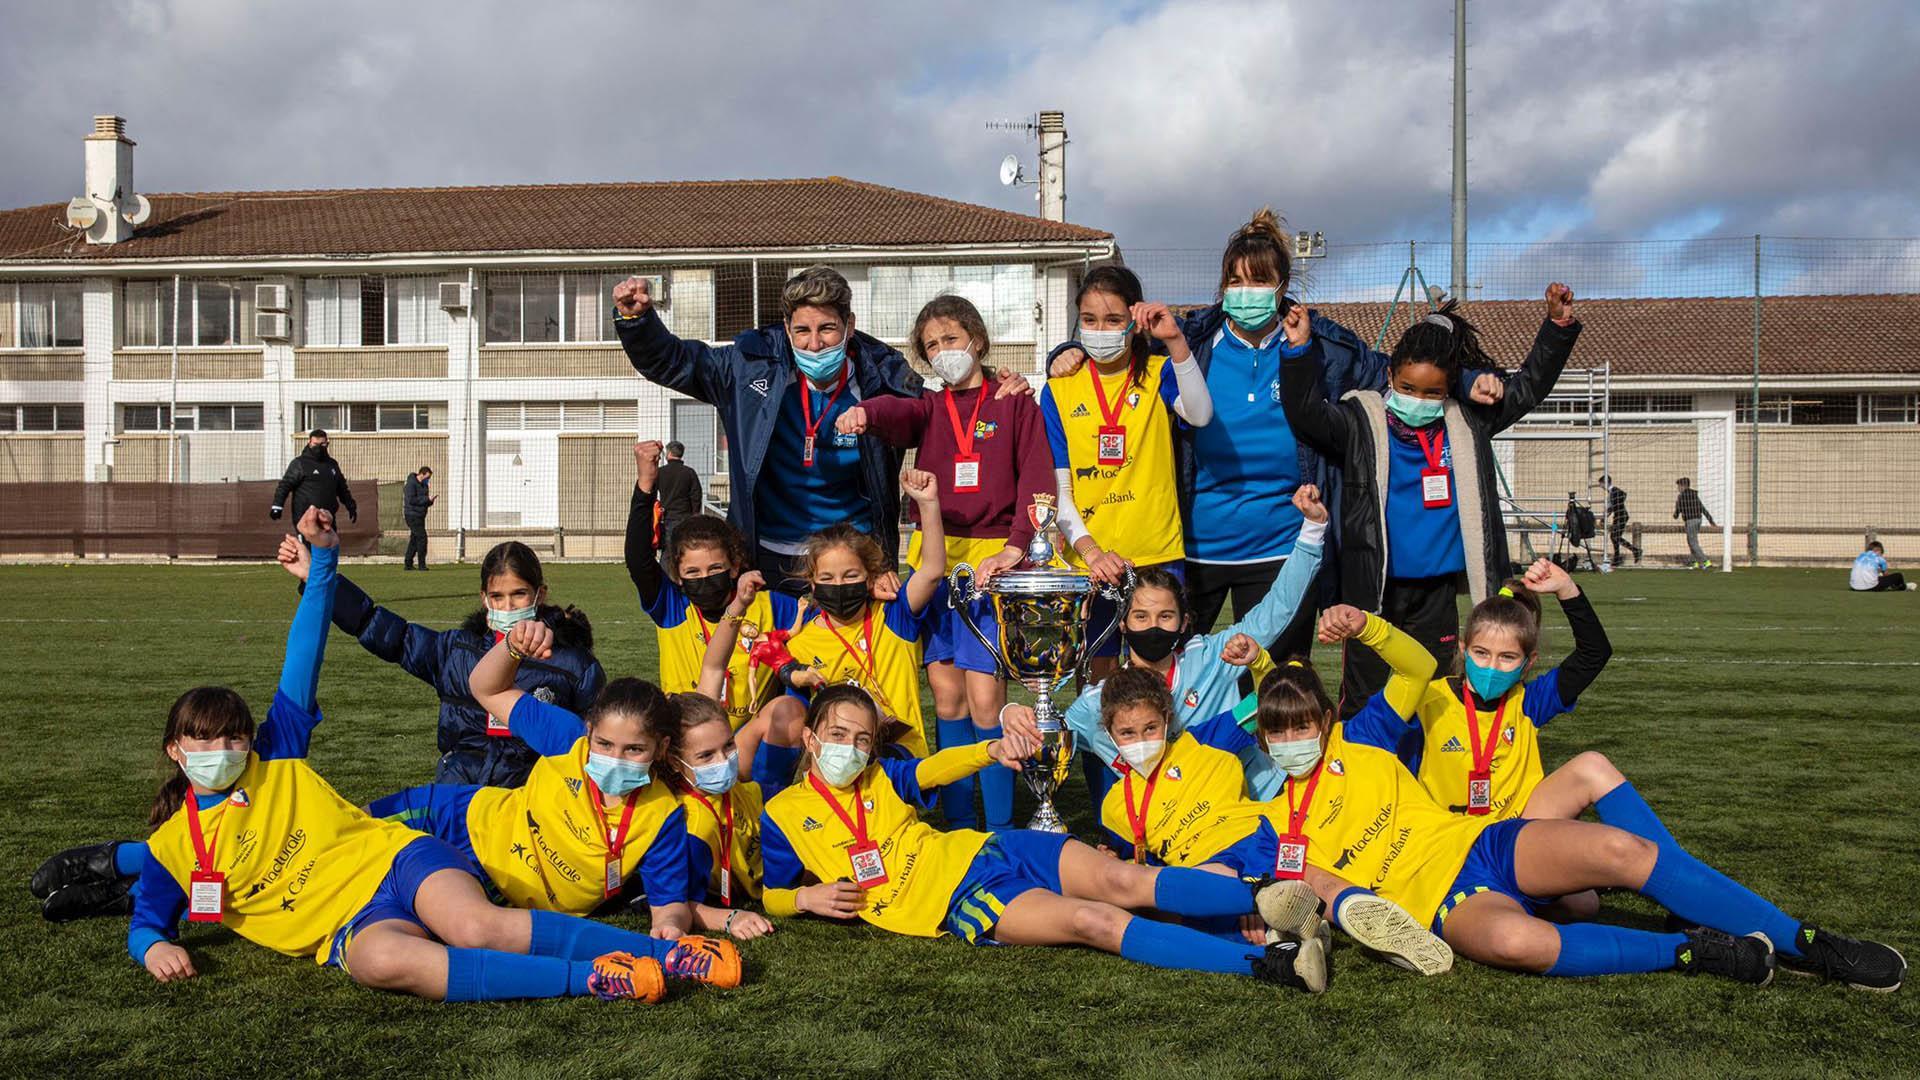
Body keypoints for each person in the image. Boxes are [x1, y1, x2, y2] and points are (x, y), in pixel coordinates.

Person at [127, 508, 740, 1004]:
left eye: (235, 736)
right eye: (206, 742)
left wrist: (323, 569)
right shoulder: (172, 847)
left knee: (475, 927)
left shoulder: (275, 754)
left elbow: (302, 656)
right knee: (381, 964)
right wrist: (152, 946)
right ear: (175, 752)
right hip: (358, 917)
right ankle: (603, 977)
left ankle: (664, 958)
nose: (226, 751)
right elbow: (149, 922)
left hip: (396, 859)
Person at [1253, 620, 1907, 988]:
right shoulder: (1270, 820)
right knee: (1519, 940)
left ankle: (1808, 943)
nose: (1293, 741)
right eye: (1278, 733)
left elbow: (1417, 665)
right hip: (1445, 907)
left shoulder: (1365, 744)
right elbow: (1280, 886)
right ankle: (1694, 949)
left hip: (1482, 843)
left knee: (1621, 849)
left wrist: (1363, 626)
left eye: (1303, 725)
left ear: (1330, 719)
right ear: (1262, 740)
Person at [1050, 210, 1507, 667]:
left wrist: (1466, 382)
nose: (1246, 293)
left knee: (1278, 680)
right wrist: (1065, 352)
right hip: (1196, 544)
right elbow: (1111, 344)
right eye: (1235, 281)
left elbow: (1401, 373)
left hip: (1282, 544)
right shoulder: (1192, 337)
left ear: (1282, 287)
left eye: (1259, 282)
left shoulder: (1321, 344)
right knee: (1175, 675)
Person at [758, 683, 1330, 991]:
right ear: (810, 739)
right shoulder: (783, 812)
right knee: (1093, 922)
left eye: (862, 740)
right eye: (838, 735)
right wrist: (802, 898)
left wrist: (991, 748)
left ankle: (1272, 898)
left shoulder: (884, 775)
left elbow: (933, 769)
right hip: (960, 900)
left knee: (1122, 878)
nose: (851, 749)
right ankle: (1274, 963)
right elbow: (772, 894)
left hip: (993, 848)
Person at [614, 265, 1027, 595]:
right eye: (802, 331)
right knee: (775, 685)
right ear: (787, 327)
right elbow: (675, 362)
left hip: (851, 562)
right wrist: (638, 322)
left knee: (853, 690)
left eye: (827, 329)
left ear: (849, 324)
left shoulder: (884, 374)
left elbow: (941, 417)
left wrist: (992, 384)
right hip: (767, 557)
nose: (814, 344)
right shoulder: (748, 366)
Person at [1280, 285, 1582, 718]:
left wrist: (1557, 327)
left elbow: (1529, 388)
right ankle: (1362, 777)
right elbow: (1306, 414)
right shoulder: (1359, 422)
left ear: (1448, 391)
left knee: (1436, 696)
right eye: (1407, 388)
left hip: (1437, 593)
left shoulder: (1467, 421)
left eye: (1432, 394)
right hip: (1375, 589)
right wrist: (1298, 351)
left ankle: (1429, 774)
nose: (1417, 401)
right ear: (1389, 378)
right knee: (1365, 696)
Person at [835, 294, 1054, 830]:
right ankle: (958, 822)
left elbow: (1038, 476)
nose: (942, 352)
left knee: (985, 699)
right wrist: (866, 412)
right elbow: (898, 411)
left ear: (976, 340)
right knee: (948, 696)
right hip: (935, 557)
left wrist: (1017, 545)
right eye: (931, 345)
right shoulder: (930, 407)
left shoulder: (1013, 401)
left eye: (951, 340)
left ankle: (999, 825)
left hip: (993, 561)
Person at [1092, 667, 1455, 976]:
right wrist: (1114, 860)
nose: (1141, 741)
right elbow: (1143, 859)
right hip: (1201, 870)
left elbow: (1268, 706)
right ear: (1109, 733)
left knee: (1210, 892)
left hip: (1253, 841)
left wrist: (1262, 663)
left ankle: (1279, 917)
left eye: (1150, 728)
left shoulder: (1205, 741)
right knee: (1173, 902)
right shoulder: (1113, 805)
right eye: (1127, 734)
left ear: (1167, 719)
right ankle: (1294, 931)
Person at [1009, 485, 1327, 812]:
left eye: (1166, 616)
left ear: (1184, 622)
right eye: (1141, 616)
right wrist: (1014, 716)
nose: (1153, 627)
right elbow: (1049, 736)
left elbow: (1278, 608)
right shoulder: (1097, 702)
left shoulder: (1213, 657)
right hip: (1168, 825)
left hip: (1244, 802)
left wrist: (1313, 529)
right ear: (1123, 624)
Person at [287, 538, 604, 786]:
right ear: (484, 599)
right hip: (459, 789)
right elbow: (379, 628)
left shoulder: (574, 665)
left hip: (530, 798)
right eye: (497, 597)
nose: (508, 607)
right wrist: (317, 577)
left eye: (519, 595)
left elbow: (598, 743)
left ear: (539, 595)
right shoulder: (456, 651)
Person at [1037, 265, 1215, 680]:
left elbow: (1202, 414)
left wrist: (1173, 340)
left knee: (1160, 672)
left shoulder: (1159, 373)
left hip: (1158, 553)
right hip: (1091, 562)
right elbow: (1060, 487)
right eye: (1090, 321)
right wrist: (1091, 552)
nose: (1100, 330)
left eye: (1114, 320)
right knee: (1097, 680)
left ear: (1134, 321)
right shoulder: (1059, 389)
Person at [625, 439, 807, 777]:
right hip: (684, 743)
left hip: (745, 745)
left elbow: (826, 625)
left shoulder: (771, 606)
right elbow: (638, 560)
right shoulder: (672, 607)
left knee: (789, 707)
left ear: (735, 565)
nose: (704, 579)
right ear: (677, 577)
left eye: (715, 569)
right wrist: (645, 485)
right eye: (692, 572)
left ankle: (767, 805)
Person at [773, 468, 948, 778]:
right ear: (812, 585)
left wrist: (928, 504)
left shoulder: (892, 616)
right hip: (834, 757)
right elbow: (799, 715)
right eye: (827, 578)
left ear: (870, 578)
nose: (839, 585)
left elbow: (932, 570)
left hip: (897, 753)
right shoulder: (801, 642)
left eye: (851, 576)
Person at [661, 692, 776, 941]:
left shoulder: (736, 788)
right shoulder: (692, 827)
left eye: (729, 745)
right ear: (675, 762)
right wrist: (730, 918)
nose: (724, 761)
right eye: (706, 756)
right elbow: (676, 903)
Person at [271, 429, 357, 526]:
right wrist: (277, 506)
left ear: (327, 443)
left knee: (329, 541)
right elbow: (285, 485)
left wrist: (351, 505)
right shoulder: (300, 463)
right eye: (315, 445)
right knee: (309, 541)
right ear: (309, 443)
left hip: (327, 518)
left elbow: (342, 488)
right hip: (305, 518)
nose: (318, 448)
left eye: (322, 445)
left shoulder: (332, 464)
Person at [654, 441, 703, 551]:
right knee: (685, 549)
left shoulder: (661, 472)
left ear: (669, 453)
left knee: (668, 550)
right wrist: (695, 513)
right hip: (686, 516)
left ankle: (665, 568)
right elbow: (696, 495)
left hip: (668, 516)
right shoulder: (689, 472)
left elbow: (651, 491)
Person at [1674, 477, 1716, 570]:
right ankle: (1694, 562)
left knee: (1692, 542)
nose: (1678, 488)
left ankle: (1706, 561)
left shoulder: (1681, 497)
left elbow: (1677, 511)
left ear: (1683, 486)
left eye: (1679, 486)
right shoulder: (1694, 495)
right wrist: (1710, 520)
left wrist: (1676, 513)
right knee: (1692, 541)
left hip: (1691, 520)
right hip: (1698, 519)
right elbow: (1702, 507)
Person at [1600, 475, 1641, 565]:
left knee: (1615, 537)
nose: (1601, 487)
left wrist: (1615, 506)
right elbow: (1610, 507)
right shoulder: (1611, 492)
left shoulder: (1614, 490)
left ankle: (1634, 552)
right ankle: (1620, 556)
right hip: (1618, 516)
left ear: (1605, 483)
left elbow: (1623, 495)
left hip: (1621, 516)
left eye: (1601, 484)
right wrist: (1604, 517)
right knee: (1614, 537)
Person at [402, 465, 434, 571]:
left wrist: (430, 501)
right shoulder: (411, 484)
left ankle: (408, 563)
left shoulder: (425, 486)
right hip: (412, 515)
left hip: (420, 516)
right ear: (422, 474)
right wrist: (426, 499)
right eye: (427, 477)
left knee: (414, 539)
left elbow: (424, 502)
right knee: (422, 538)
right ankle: (422, 564)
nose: (428, 480)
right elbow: (412, 500)